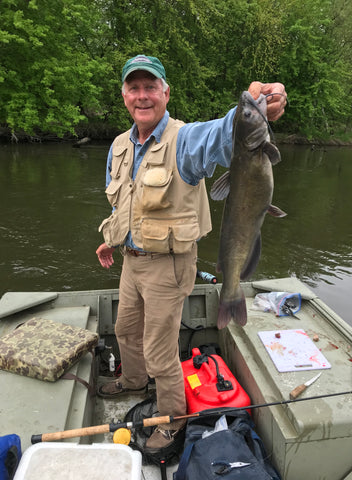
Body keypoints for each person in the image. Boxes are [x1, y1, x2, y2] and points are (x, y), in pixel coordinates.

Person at [96, 54, 287, 453]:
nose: (142, 96)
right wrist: (111, 238)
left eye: (151, 88)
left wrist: (253, 109)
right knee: (126, 330)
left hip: (169, 266)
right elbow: (125, 205)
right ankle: (131, 380)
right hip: (131, 262)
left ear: (166, 93)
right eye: (135, 88)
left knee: (159, 351)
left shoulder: (185, 140)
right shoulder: (118, 146)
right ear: (124, 95)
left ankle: (173, 419)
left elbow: (221, 136)